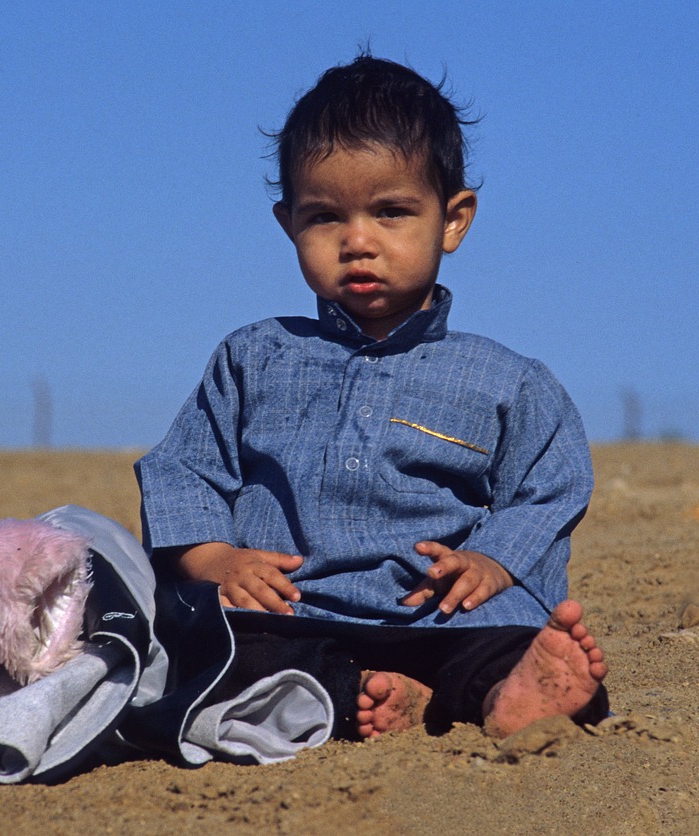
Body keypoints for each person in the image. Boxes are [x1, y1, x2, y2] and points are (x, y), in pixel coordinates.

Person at [135, 54, 608, 740]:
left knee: (499, 643)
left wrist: (493, 562)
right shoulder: (253, 356)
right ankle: (363, 695)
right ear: (288, 223)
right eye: (325, 216)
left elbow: (550, 484)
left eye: (391, 212)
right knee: (224, 652)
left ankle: (507, 689)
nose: (358, 241)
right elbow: (185, 469)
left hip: (437, 615)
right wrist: (218, 561)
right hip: (294, 613)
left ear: (453, 220)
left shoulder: (506, 378)